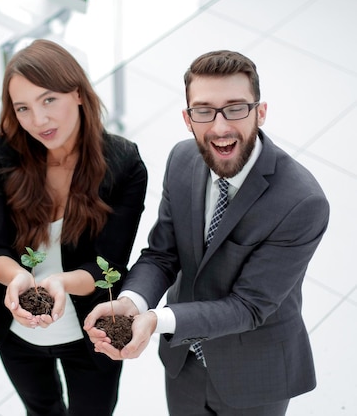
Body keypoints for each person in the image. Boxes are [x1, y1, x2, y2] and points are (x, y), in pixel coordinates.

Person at [84, 49, 330, 415]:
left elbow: (249, 306)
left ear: (260, 113)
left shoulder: (302, 202)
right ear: (188, 118)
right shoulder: (181, 160)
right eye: (204, 111)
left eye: (235, 108)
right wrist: (131, 303)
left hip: (254, 374)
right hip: (184, 362)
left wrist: (157, 320)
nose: (220, 127)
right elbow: (162, 254)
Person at [0, 39, 148, 416]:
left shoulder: (124, 164)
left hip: (90, 329)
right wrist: (19, 279)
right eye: (23, 107)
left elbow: (109, 265)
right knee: (40, 409)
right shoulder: (1, 152)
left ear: (79, 94)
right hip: (16, 330)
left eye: (48, 100)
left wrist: (59, 284)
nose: (38, 120)